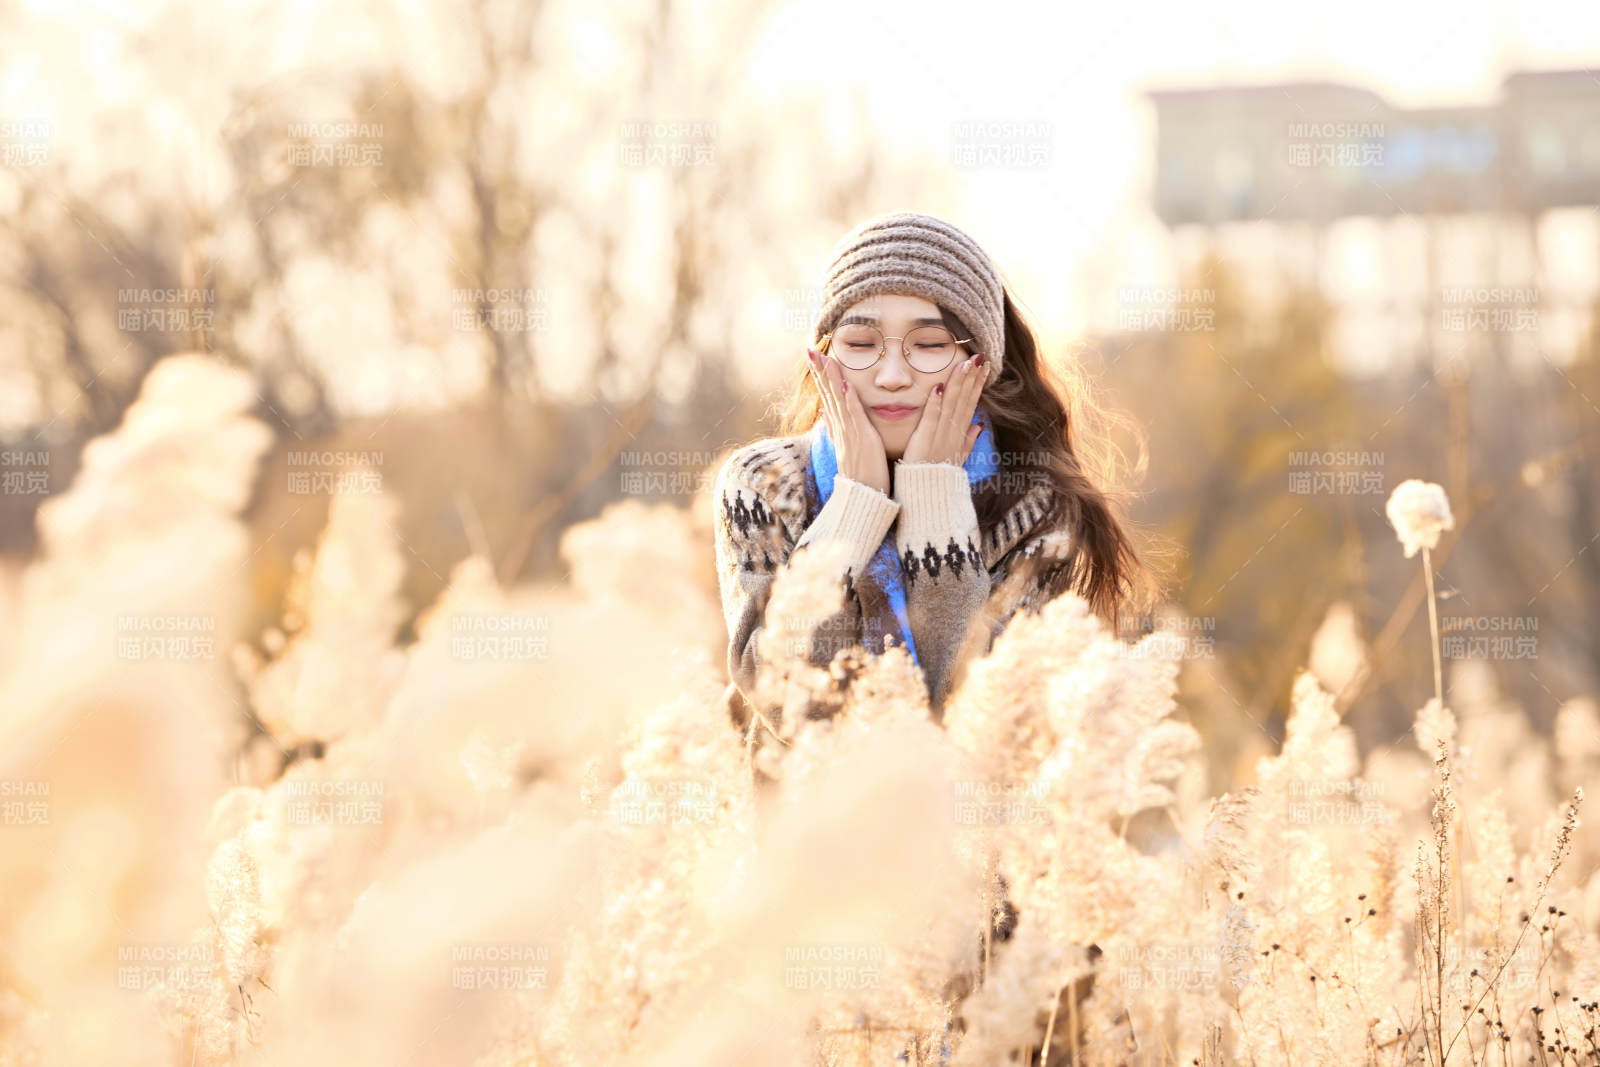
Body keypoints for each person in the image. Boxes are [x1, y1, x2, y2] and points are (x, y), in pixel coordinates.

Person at [712, 210, 1161, 734]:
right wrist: (855, 505)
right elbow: (783, 697)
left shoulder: (1035, 510)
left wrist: (932, 501)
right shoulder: (762, 485)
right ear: (824, 359)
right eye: (860, 344)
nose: (893, 375)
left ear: (981, 365)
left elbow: (976, 720)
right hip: (797, 815)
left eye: (929, 345)